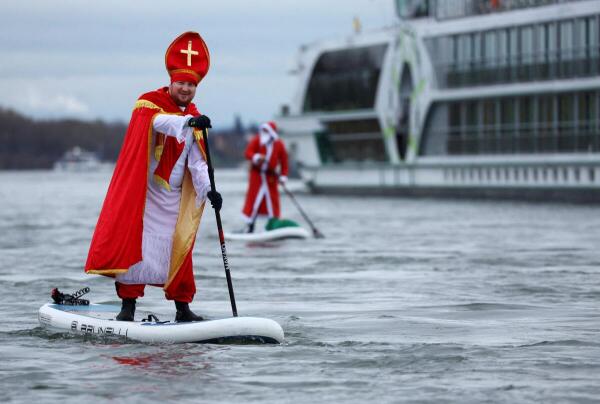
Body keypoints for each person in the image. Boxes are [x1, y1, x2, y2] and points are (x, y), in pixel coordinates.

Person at [84, 32, 222, 322]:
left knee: (180, 250)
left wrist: (210, 190)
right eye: (182, 83)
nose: (185, 89)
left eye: (191, 85)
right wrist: (187, 122)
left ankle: (183, 309)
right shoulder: (150, 104)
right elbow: (161, 123)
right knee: (139, 250)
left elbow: (197, 162)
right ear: (172, 82)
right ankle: (128, 307)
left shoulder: (195, 117)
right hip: (146, 198)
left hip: (175, 201)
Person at [241, 121, 289, 233]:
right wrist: (256, 157)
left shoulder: (279, 144)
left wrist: (283, 176)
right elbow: (248, 153)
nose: (264, 133)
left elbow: (284, 162)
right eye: (263, 130)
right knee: (254, 201)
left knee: (272, 201)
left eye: (266, 131)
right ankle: (250, 226)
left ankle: (273, 225)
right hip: (257, 176)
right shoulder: (257, 140)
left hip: (271, 178)